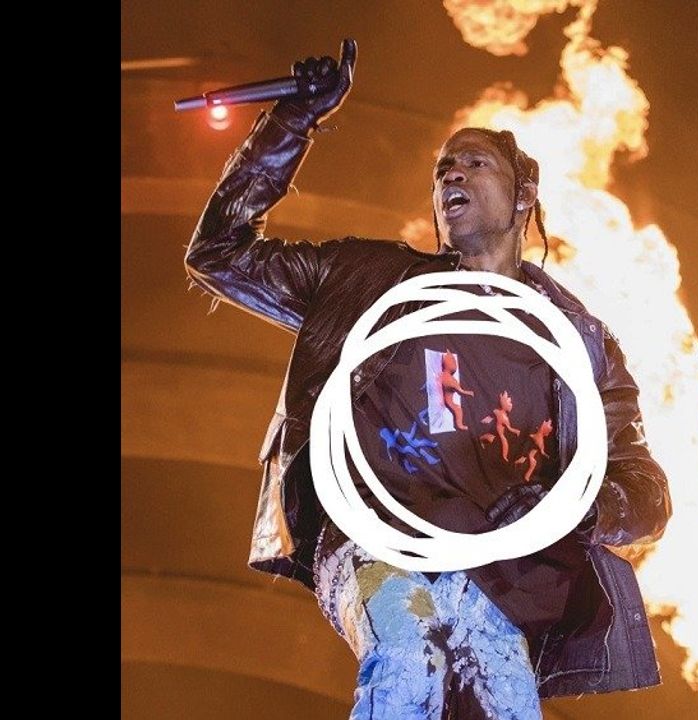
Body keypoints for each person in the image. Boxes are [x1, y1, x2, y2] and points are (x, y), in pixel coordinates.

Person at [184, 39, 671, 720]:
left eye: (474, 163)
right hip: (376, 541)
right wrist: (290, 123)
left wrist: (585, 508)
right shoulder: (367, 283)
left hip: (504, 573)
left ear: (524, 195)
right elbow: (219, 254)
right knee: (409, 650)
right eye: (444, 168)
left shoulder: (578, 341)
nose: (452, 176)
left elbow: (644, 485)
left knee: (504, 696)